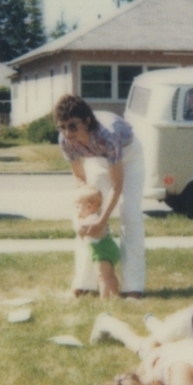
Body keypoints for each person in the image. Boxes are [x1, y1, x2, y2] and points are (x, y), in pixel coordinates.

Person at [55, 94, 146, 298]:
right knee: (86, 217)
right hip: (96, 159)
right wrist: (85, 214)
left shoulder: (108, 133)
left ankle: (133, 287)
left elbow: (117, 185)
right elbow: (79, 177)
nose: (67, 132)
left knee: (129, 215)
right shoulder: (65, 140)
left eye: (72, 126)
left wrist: (102, 220)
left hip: (129, 159)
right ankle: (85, 284)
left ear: (87, 121)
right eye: (62, 127)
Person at [89, 282, 193, 357]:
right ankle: (107, 322)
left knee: (164, 332)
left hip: (179, 338)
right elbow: (151, 345)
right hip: (171, 335)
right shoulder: (182, 324)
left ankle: (150, 320)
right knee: (140, 346)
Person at [72, 184, 120, 299]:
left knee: (102, 277)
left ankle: (104, 299)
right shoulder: (97, 217)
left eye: (77, 207)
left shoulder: (90, 221)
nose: (76, 210)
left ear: (89, 207)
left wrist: (76, 219)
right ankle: (116, 293)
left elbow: (80, 231)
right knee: (110, 274)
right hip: (110, 249)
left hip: (101, 252)